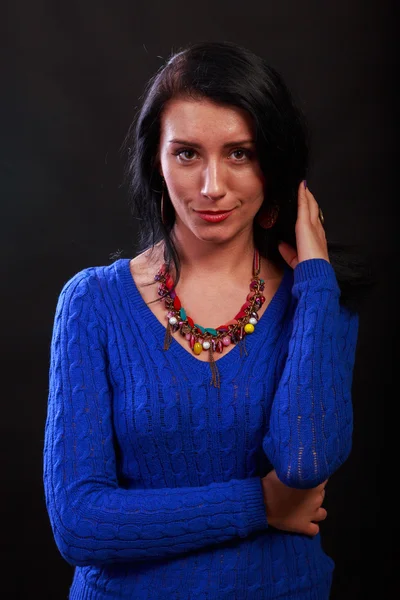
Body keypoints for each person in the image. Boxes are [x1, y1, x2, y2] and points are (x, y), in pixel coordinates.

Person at [43, 41, 370, 599]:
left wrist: (314, 278)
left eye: (239, 153)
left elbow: (304, 460)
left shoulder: (320, 299)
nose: (211, 186)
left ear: (274, 161)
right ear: (157, 160)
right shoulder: (93, 303)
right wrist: (259, 504)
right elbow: (79, 521)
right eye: (187, 154)